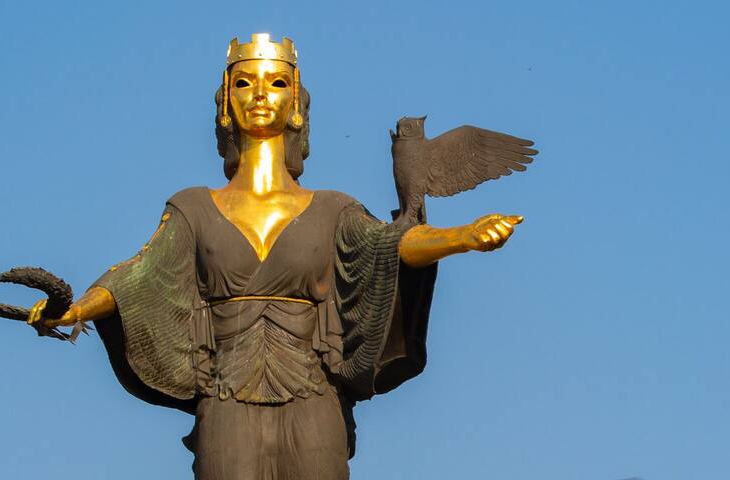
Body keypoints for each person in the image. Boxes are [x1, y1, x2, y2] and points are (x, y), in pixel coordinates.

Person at [25, 33, 523, 479]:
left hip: (313, 392)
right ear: (225, 103)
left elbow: (390, 247)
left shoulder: (333, 209)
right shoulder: (194, 207)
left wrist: (463, 236)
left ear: (297, 104)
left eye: (277, 83)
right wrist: (74, 309)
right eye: (244, 84)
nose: (260, 95)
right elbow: (139, 276)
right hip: (226, 393)